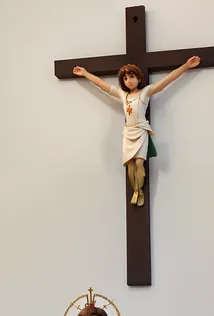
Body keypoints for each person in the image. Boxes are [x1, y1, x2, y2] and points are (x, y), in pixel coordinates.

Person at [73, 57, 201, 206]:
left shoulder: (145, 92)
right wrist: (86, 73)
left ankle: (139, 190)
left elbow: (167, 80)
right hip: (128, 133)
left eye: (131, 77)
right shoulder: (123, 94)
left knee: (139, 163)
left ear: (138, 78)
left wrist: (186, 66)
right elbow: (102, 85)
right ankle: (136, 190)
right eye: (125, 78)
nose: (129, 81)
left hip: (140, 131)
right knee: (130, 166)